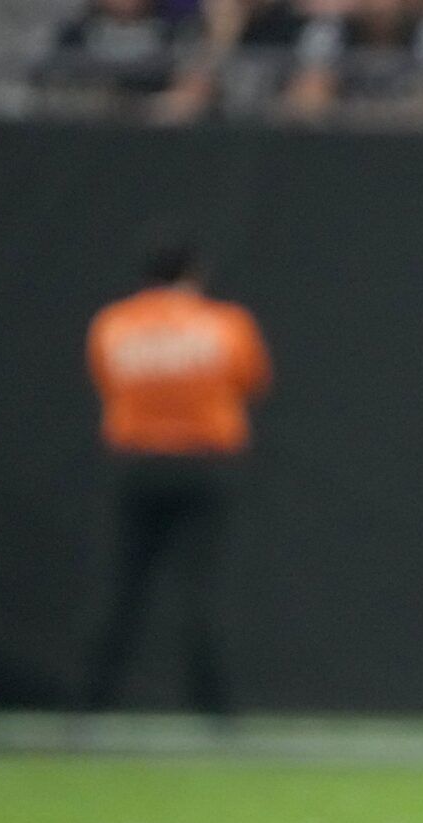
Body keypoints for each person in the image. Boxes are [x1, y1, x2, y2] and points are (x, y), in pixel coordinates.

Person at [85, 232, 271, 715]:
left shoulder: (113, 325)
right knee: (201, 591)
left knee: (123, 588)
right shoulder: (225, 325)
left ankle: (92, 703)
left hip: (137, 466)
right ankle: (215, 710)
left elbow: (106, 381)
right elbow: (252, 381)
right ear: (195, 272)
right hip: (204, 466)